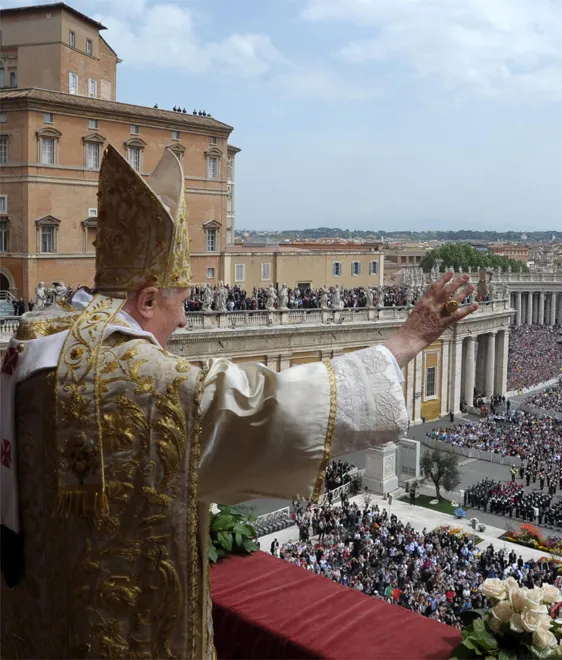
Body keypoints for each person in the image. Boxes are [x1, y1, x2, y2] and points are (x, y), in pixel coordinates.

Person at [0, 145, 478, 658]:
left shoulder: (34, 342)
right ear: (146, 300)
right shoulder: (152, 382)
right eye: (180, 303)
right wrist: (406, 341)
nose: (185, 320)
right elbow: (270, 409)